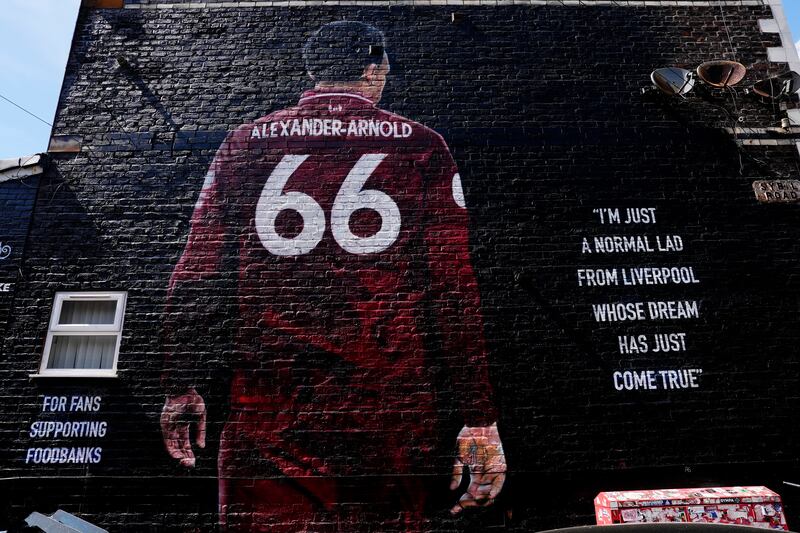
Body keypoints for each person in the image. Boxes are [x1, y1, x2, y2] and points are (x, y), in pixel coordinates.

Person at [160, 20, 506, 532]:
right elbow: (452, 289)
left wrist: (178, 383)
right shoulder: (421, 146)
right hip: (388, 410)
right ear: (373, 68)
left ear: (313, 72)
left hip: (269, 407)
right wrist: (478, 415)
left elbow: (196, 274)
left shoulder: (243, 143)